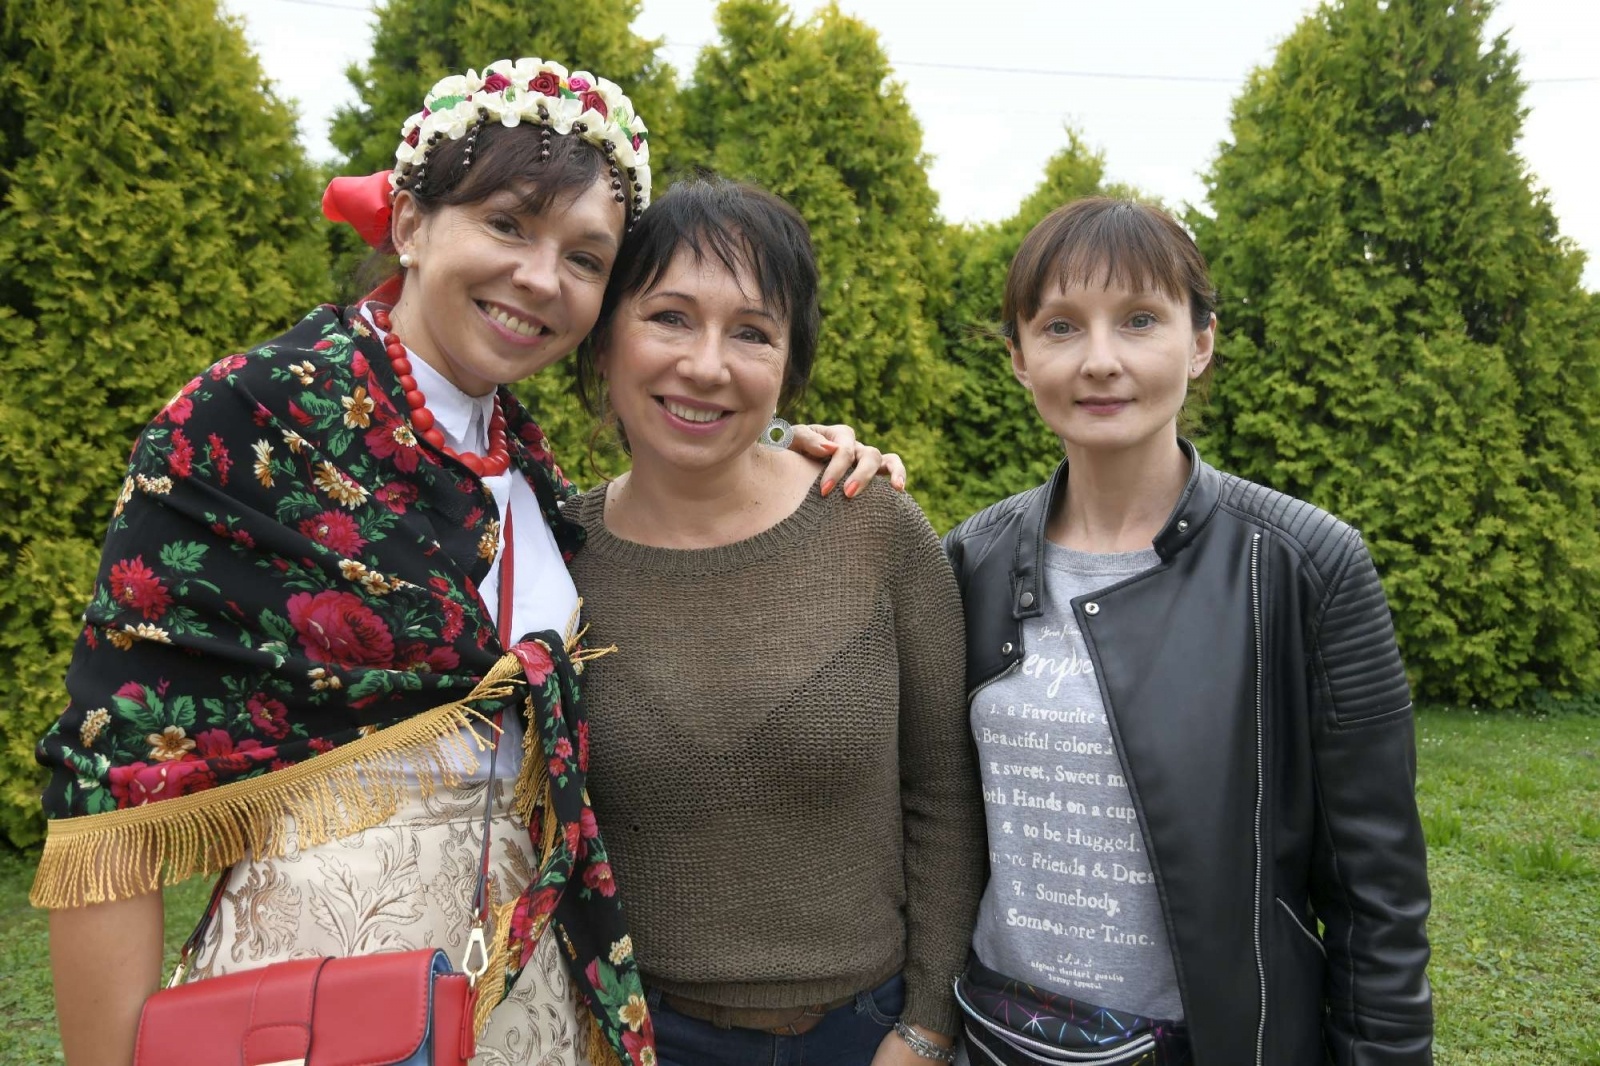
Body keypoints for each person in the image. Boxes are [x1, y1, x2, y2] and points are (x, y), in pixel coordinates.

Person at [32, 59, 895, 1066]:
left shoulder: (530, 470)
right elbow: (111, 785)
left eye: (584, 257)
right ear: (408, 221)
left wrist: (784, 448)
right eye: (507, 225)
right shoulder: (253, 423)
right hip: (308, 1013)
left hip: (525, 1008)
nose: (540, 277)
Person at [943, 197, 1432, 1065]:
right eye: (1060, 327)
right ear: (1018, 358)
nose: (1100, 360)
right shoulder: (969, 562)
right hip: (997, 1035)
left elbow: (1379, 898)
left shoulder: (1304, 566)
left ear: (1199, 343)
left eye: (1139, 320)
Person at [563, 175, 986, 1066]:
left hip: (867, 1035)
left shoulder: (871, 524)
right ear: (604, 339)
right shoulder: (555, 557)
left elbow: (945, 794)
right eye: (670, 316)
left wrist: (928, 1024)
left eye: (751, 332)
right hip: (636, 1038)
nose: (707, 364)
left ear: (789, 369)